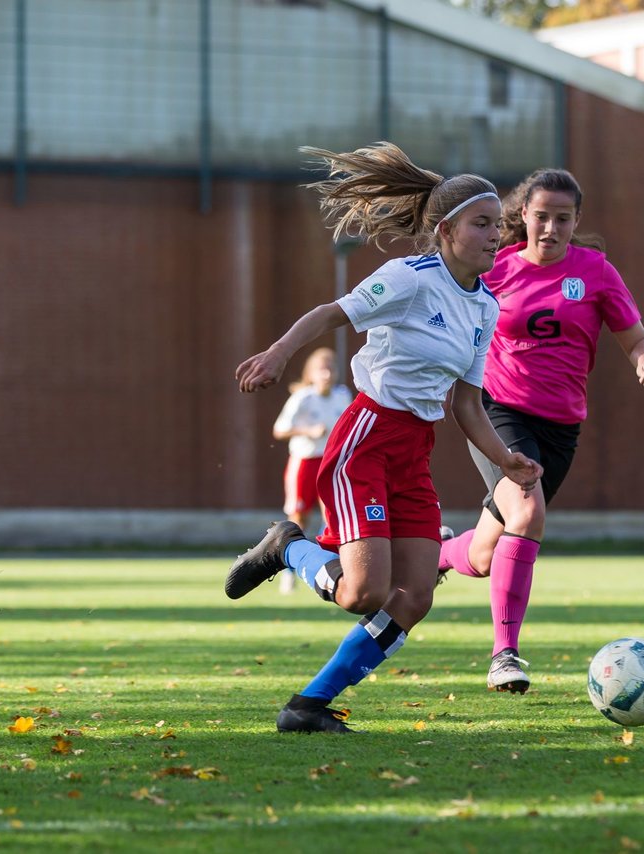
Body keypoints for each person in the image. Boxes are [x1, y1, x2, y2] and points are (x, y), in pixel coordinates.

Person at [223, 142, 543, 734]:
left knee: (416, 596)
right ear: (446, 230)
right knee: (363, 594)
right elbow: (330, 313)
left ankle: (308, 705)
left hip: (415, 451)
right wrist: (277, 353)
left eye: (499, 225)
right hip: (365, 439)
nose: (496, 235)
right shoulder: (409, 278)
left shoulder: (486, 308)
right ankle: (286, 547)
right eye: (482, 223)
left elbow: (467, 404)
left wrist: (507, 462)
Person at [436, 168, 644, 694]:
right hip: (500, 410)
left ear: (576, 221)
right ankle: (505, 654)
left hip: (562, 426)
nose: (551, 228)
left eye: (563, 219)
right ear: (524, 216)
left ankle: (436, 556)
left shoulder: (596, 272)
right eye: (542, 216)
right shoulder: (495, 271)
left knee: (483, 554)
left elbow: (636, 339)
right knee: (528, 510)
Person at [271, 347, 352, 593]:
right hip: (305, 462)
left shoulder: (342, 395)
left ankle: (325, 567)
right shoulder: (303, 397)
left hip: (330, 463)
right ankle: (288, 571)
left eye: (331, 368)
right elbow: (279, 429)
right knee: (299, 517)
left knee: (332, 517)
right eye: (321, 368)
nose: (327, 373)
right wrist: (308, 431)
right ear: (311, 373)